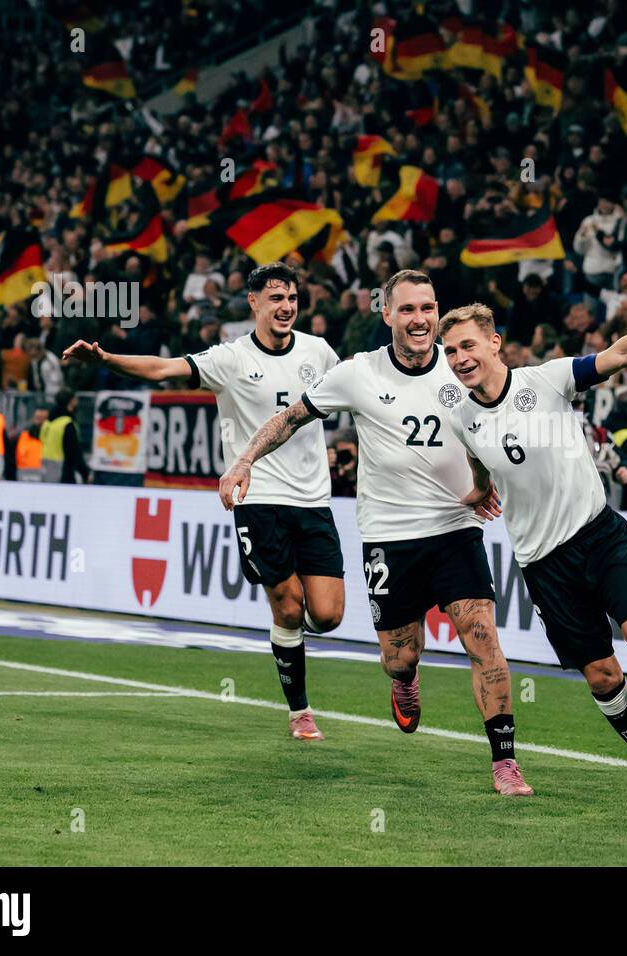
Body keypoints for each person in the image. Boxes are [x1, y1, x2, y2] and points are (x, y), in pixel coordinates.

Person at [218, 270, 532, 797]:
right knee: (399, 657)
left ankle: (505, 761)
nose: (420, 320)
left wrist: (490, 479)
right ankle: (406, 682)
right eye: (407, 309)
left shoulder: (465, 367)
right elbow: (292, 416)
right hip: (389, 537)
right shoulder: (357, 373)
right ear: (386, 314)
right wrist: (244, 459)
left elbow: (504, 427)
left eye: (428, 308)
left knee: (484, 643)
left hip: (456, 529)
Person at [440, 292, 627, 806]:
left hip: (598, 537)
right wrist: (480, 487)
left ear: (495, 343)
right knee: (603, 677)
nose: (459, 358)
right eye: (450, 351)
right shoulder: (461, 416)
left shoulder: (546, 380)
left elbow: (623, 353)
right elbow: (480, 459)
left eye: (467, 345)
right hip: (542, 566)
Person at [64, 263, 344, 742]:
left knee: (330, 614)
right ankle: (300, 710)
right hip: (257, 496)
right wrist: (107, 358)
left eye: (292, 297)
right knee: (288, 608)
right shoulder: (231, 359)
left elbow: (353, 394)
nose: (286, 306)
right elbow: (163, 368)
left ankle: (296, 644)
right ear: (253, 303)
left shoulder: (318, 352)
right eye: (275, 297)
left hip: (314, 499)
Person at [40, 389, 90, 484]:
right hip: (63, 473)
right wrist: (85, 473)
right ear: (71, 401)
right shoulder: (67, 424)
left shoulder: (47, 423)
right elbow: (74, 451)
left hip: (47, 471)